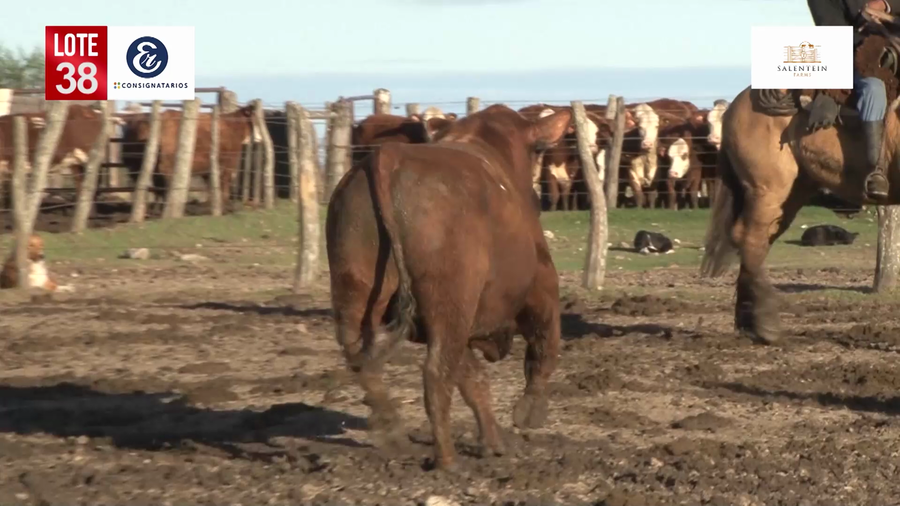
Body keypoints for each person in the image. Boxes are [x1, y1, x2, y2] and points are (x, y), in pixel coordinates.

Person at [807, 0, 900, 200]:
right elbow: (834, 32)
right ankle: (876, 169)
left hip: (895, 44)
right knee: (873, 88)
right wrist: (876, 41)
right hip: (858, 53)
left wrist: (885, 5)